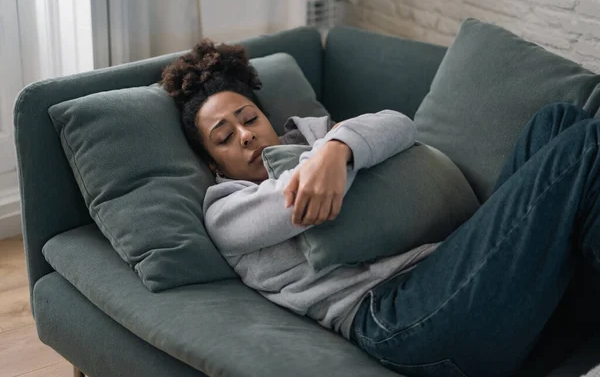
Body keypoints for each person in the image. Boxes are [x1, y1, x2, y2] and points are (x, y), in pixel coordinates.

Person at [161, 39, 600, 377]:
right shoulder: (225, 211)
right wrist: (343, 155)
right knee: (585, 146)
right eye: (223, 136)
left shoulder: (315, 138)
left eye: (249, 118)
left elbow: (399, 124)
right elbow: (294, 203)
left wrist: (336, 149)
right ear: (211, 162)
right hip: (398, 318)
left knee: (558, 122)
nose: (245, 135)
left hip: (447, 266)